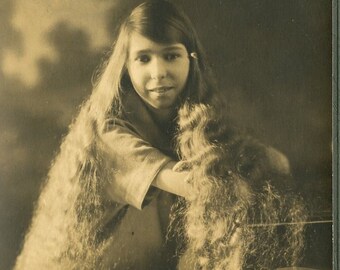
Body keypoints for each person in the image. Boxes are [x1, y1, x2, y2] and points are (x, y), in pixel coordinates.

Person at [14, 1, 306, 269]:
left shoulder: (191, 115)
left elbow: (237, 154)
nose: (159, 72)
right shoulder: (106, 129)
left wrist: (269, 160)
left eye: (170, 56)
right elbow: (193, 185)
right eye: (143, 59)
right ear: (125, 67)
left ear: (191, 60)